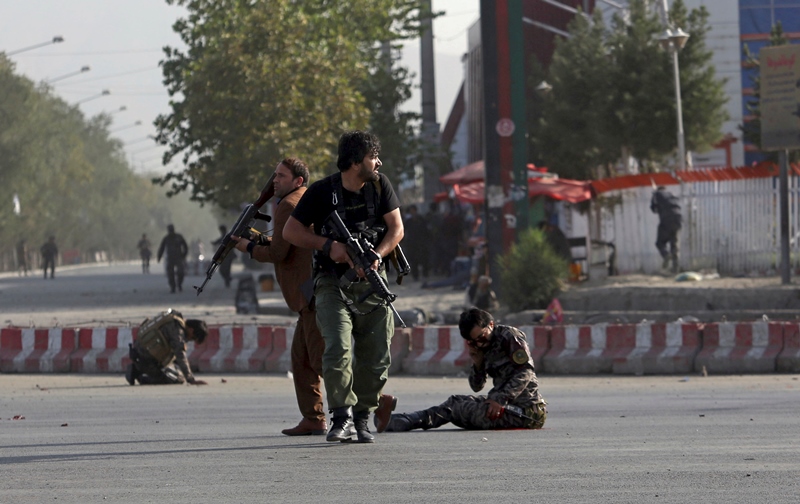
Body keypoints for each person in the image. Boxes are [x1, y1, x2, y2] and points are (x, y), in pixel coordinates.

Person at [283, 130, 403, 443]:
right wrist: (328, 246)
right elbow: (290, 232)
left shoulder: (380, 187)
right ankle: (341, 416)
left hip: (373, 282)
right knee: (337, 348)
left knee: (377, 354)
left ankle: (363, 417)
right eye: (371, 157)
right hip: (332, 281)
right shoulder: (322, 191)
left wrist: (377, 254)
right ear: (353, 162)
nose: (377, 162)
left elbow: (397, 229)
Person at [231, 158, 329, 436]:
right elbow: (285, 244)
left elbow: (278, 254)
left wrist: (248, 247)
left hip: (309, 294)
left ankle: (376, 402)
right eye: (274, 175)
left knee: (324, 361)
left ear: (298, 180)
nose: (275, 181)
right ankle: (313, 417)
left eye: (281, 176)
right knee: (302, 359)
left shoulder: (287, 206)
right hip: (311, 292)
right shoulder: (305, 198)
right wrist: (254, 239)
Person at [382, 308, 547, 432]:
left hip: (525, 411)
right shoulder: (481, 347)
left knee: (457, 409)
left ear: (491, 325)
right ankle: (409, 419)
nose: (479, 344)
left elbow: (525, 371)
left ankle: (408, 422)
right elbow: (476, 386)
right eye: (473, 342)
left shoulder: (509, 336)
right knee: (454, 401)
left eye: (481, 337)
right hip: (501, 404)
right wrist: (478, 364)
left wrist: (500, 399)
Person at [126, 309, 208, 385]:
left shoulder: (174, 319)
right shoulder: (177, 331)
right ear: (191, 330)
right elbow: (180, 354)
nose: (189, 340)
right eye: (192, 338)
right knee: (174, 379)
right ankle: (138, 374)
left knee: (178, 375)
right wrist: (191, 379)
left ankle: (139, 369)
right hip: (145, 360)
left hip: (141, 354)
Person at [650, 186, 682, 273]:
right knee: (674, 245)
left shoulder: (657, 194)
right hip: (678, 220)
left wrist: (653, 195)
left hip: (666, 220)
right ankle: (676, 269)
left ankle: (666, 255)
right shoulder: (671, 194)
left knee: (659, 243)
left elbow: (653, 209)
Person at [401, 204, 430, 281]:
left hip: (421, 243)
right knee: (414, 260)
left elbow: (426, 231)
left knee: (424, 259)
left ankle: (425, 273)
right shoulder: (409, 221)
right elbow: (404, 230)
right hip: (412, 243)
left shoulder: (421, 219)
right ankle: (415, 275)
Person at [156, 224, 189, 293]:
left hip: (178, 257)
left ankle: (179, 284)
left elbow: (185, 246)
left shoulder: (179, 237)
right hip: (170, 258)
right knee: (170, 274)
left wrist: (184, 255)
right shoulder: (166, 238)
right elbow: (162, 248)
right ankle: (173, 287)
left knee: (181, 272)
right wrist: (159, 256)